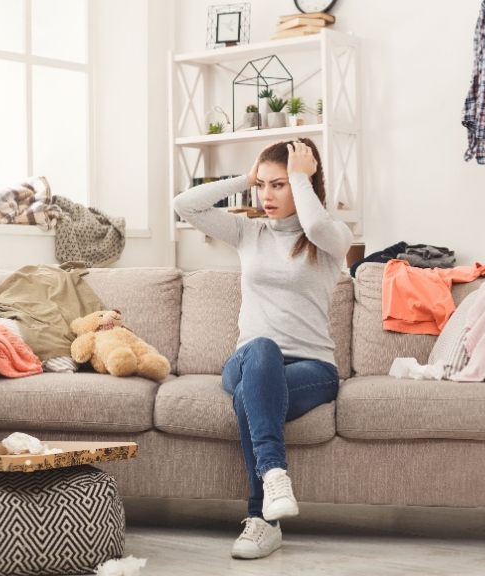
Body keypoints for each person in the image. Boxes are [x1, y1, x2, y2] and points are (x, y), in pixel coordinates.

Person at [172, 138, 351, 559]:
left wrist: (301, 178)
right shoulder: (248, 232)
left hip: (312, 369)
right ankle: (274, 475)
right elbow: (185, 204)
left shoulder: (330, 241)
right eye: (262, 186)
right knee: (262, 352)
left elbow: (318, 226)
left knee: (251, 400)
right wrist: (244, 177)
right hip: (249, 357)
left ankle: (261, 521)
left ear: (305, 185)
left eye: (279, 185)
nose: (266, 196)